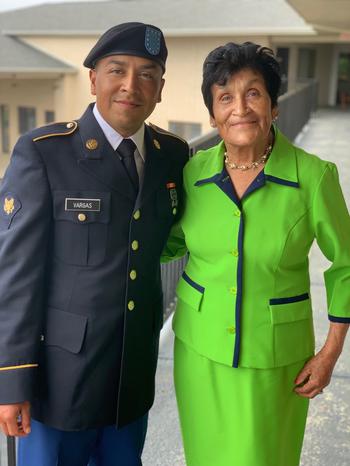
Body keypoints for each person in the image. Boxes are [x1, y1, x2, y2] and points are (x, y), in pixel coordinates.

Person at [0, 22, 188, 466]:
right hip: (60, 380)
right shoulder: (44, 152)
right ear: (93, 79)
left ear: (160, 88)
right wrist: (13, 379)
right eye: (116, 70)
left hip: (132, 377)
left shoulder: (173, 155)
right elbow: (16, 276)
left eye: (147, 74)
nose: (130, 86)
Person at [162, 42, 350, 466]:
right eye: (225, 97)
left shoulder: (314, 177)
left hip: (274, 360)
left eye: (253, 93)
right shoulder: (193, 173)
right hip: (198, 351)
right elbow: (170, 242)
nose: (240, 108)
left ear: (274, 106)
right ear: (212, 115)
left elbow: (347, 265)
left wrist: (330, 353)